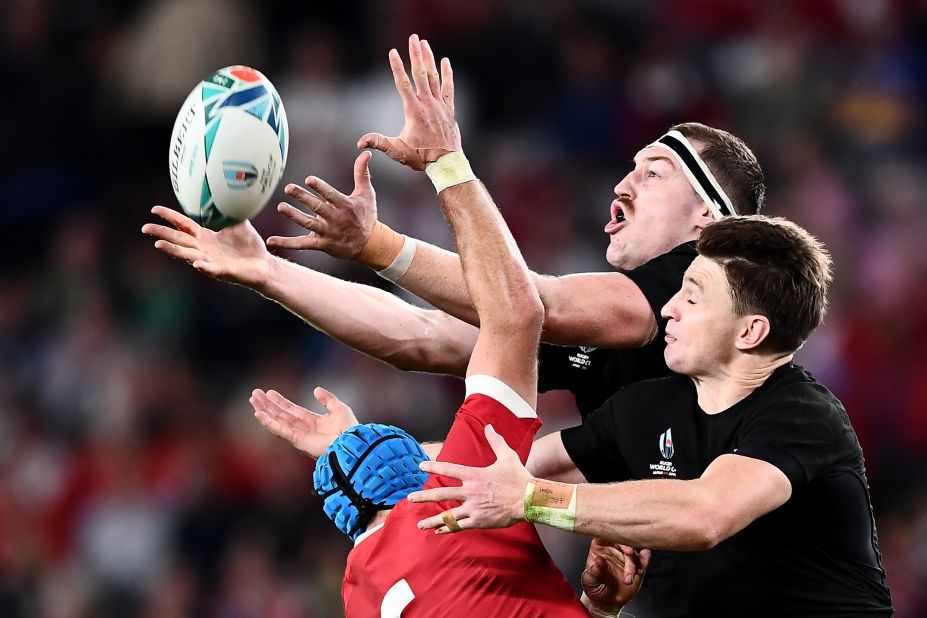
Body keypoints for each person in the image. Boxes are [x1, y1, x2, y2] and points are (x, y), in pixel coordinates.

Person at [142, 34, 766, 418]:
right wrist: (270, 274)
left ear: (708, 215)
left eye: (653, 172)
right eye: (630, 167)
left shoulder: (699, 290)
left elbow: (526, 301)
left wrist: (390, 231)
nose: (622, 184)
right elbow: (424, 336)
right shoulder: (617, 335)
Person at [248, 51, 644, 614]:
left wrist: (270, 274)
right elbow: (514, 313)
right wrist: (445, 161)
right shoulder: (453, 502)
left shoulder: (359, 593)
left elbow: (424, 334)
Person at [403, 215, 894, 616]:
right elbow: (496, 467)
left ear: (750, 333)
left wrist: (533, 499)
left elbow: (705, 513)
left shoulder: (802, 416)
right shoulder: (648, 407)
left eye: (693, 296)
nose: (669, 309)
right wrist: (364, 450)